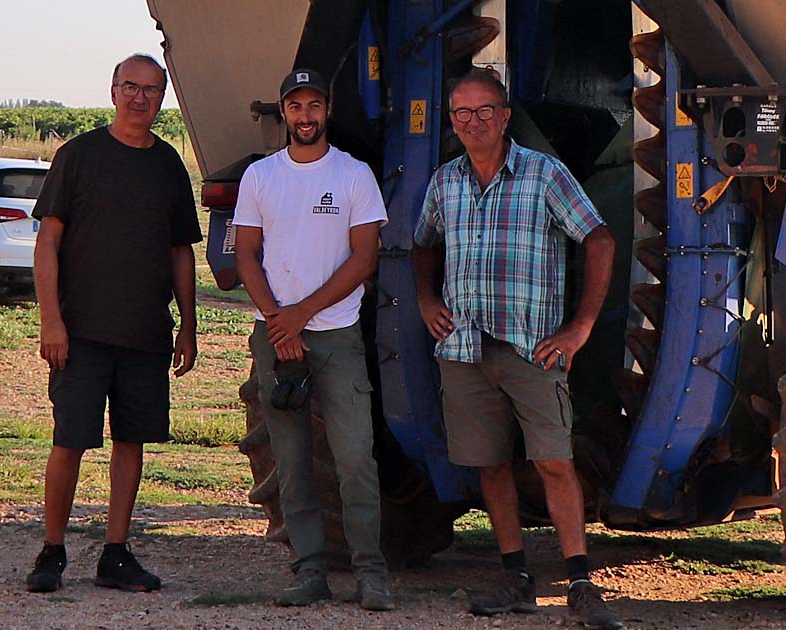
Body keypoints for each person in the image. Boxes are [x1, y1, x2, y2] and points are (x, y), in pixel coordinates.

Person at [412, 70, 620, 629]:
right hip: (464, 348)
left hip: (533, 348)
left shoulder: (544, 173)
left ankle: (579, 582)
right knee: (492, 466)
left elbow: (599, 238)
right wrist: (427, 298)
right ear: (450, 122)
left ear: (505, 116)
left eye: (484, 111)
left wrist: (579, 328)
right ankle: (515, 577)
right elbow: (423, 244)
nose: (473, 122)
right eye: (461, 113)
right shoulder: (444, 182)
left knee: (554, 461)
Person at [25, 53, 201, 593]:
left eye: (151, 90)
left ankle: (115, 554)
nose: (140, 98)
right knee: (70, 441)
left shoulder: (169, 164)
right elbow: (47, 241)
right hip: (80, 335)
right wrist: (51, 321)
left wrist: (189, 326)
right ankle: (52, 551)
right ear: (113, 90)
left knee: (132, 442)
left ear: (163, 95)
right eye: (131, 87)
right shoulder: (77, 156)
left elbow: (180, 252)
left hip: (146, 335)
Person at [232, 68, 394, 611]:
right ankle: (308, 572)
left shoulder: (353, 175)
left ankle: (372, 574)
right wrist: (278, 321)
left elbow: (364, 258)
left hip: (337, 334)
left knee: (355, 461)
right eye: (295, 106)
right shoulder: (261, 177)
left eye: (314, 105)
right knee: (292, 463)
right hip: (276, 337)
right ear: (283, 112)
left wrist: (302, 314)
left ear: (328, 110)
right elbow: (246, 255)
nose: (305, 116)